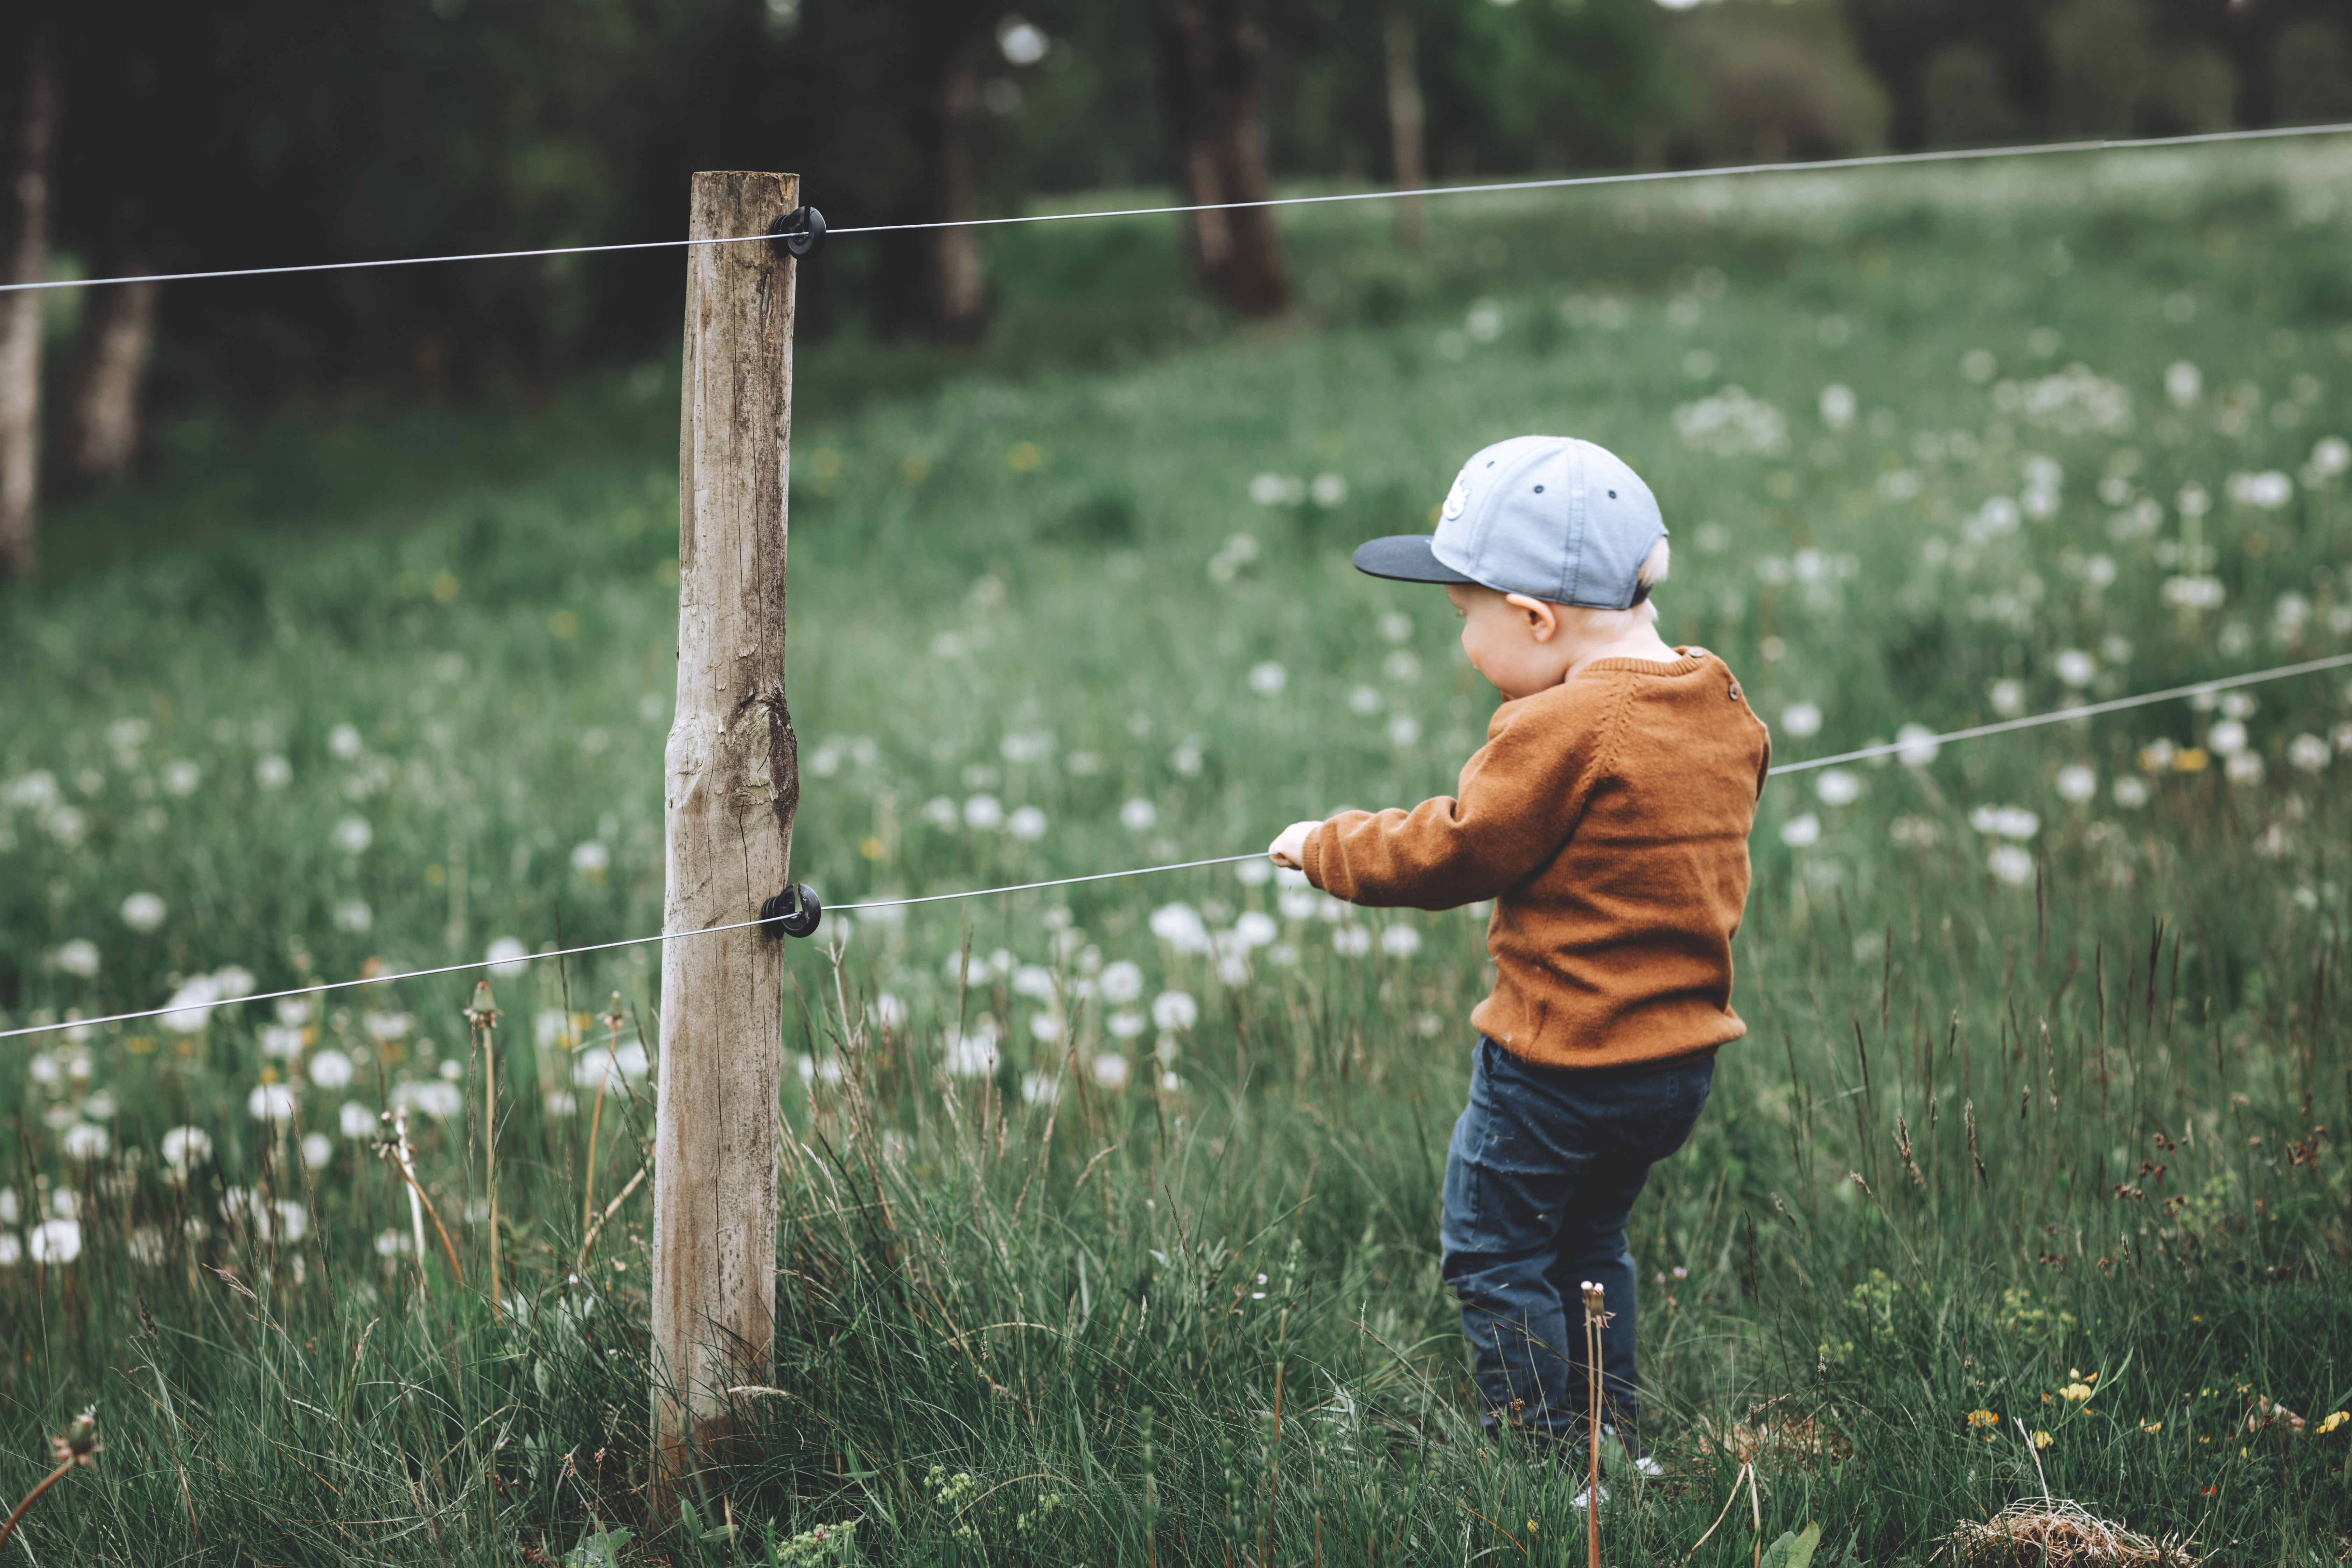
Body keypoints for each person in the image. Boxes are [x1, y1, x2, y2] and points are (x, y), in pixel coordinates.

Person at [1268, 434, 1769, 1486]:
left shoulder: (1563, 724)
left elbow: (1457, 847)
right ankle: (1612, 1441)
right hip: (1673, 1064)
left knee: (1496, 1252)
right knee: (1592, 1245)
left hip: (1559, 1066)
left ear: (1538, 619)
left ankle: (1553, 1462)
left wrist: (1327, 846)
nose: (1467, 645)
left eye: (1468, 619)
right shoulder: (1718, 703)